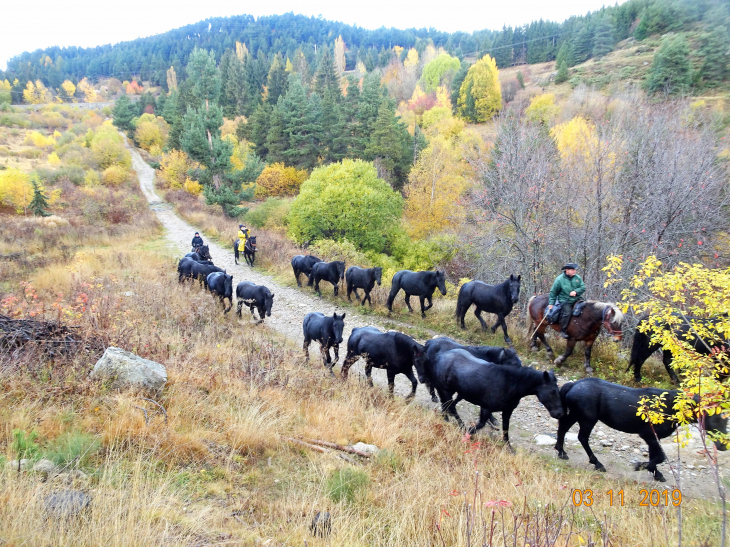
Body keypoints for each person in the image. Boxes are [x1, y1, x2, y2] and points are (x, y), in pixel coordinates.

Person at [547, 263, 586, 339]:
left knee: (585, 309)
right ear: (567, 270)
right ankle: (563, 330)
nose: (574, 271)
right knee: (567, 313)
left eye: (574, 269)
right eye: (572, 270)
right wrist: (551, 303)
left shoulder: (577, 278)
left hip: (577, 298)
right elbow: (553, 292)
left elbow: (583, 287)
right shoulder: (559, 279)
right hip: (565, 300)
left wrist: (576, 291)